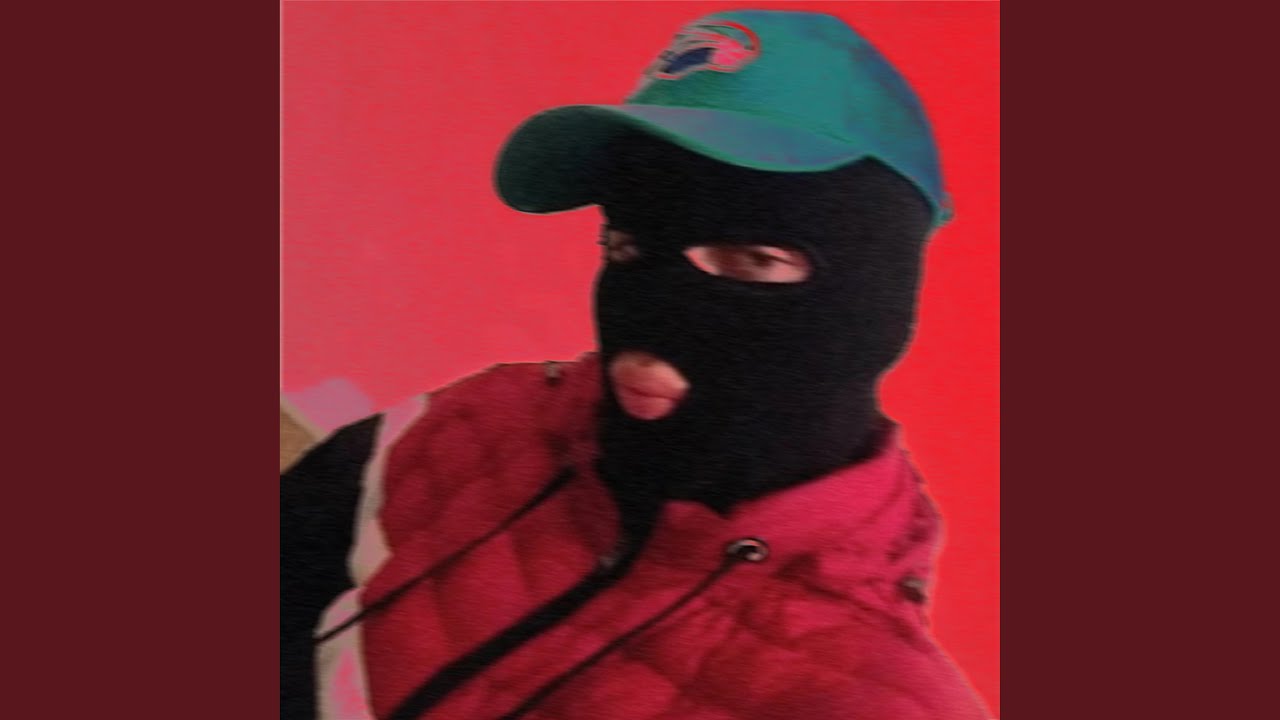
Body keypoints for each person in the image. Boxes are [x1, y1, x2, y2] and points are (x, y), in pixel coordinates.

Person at [282, 9, 992, 720]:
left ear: (874, 301)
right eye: (628, 247)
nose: (654, 311)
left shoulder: (865, 696)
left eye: (751, 260)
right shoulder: (483, 418)